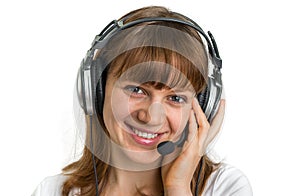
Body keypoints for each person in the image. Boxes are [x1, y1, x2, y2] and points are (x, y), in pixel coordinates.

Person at [33, 6, 252, 196]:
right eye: (137, 90)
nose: (151, 117)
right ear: (95, 91)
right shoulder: (52, 190)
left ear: (202, 108)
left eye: (175, 98)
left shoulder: (225, 187)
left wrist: (177, 187)